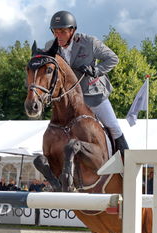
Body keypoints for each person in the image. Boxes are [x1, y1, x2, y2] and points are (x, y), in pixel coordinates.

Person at [46, 10, 129, 155]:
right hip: (69, 100)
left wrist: (96, 70)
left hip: (92, 94)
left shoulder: (89, 42)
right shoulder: (50, 47)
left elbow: (113, 59)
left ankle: (127, 164)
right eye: (55, 32)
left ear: (72, 30)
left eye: (62, 31)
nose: (57, 36)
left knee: (114, 127)